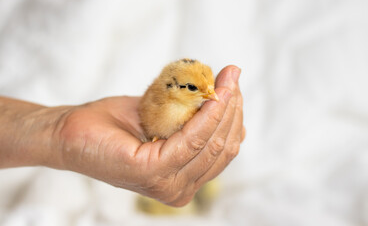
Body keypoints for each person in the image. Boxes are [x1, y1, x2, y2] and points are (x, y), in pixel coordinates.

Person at [0, 66, 245, 207]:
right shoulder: (163, 102)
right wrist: (58, 131)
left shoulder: (184, 102)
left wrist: (58, 130)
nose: (207, 95)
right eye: (194, 88)